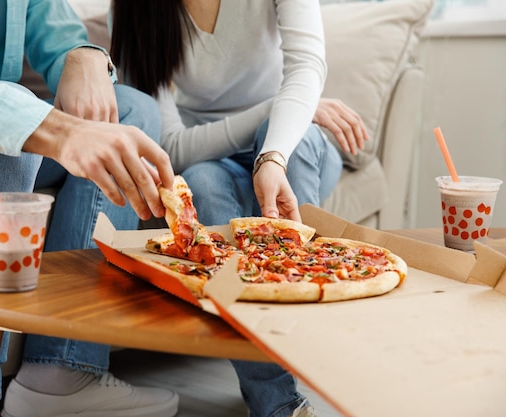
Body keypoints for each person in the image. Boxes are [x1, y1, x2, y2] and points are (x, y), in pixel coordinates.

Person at [0, 1, 178, 416]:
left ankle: (59, 375)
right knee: (8, 132)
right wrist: (45, 127)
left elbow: (50, 21)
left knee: (130, 110)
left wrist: (82, 56)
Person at [110, 1, 369, 416]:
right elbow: (172, 145)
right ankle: (279, 402)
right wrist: (270, 106)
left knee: (288, 143)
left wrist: (273, 153)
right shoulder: (134, 9)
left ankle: (318, 341)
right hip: (212, 152)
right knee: (204, 185)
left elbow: (306, 69)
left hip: (290, 138)